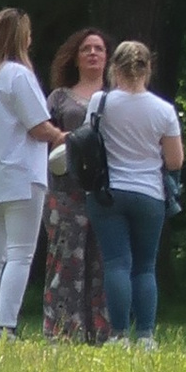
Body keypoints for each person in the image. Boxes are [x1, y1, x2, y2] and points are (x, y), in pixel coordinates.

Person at [85, 39, 183, 347]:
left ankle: (118, 333)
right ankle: (146, 335)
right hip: (149, 193)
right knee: (144, 266)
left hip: (108, 192)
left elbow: (89, 143)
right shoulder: (163, 110)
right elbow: (175, 160)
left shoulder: (100, 102)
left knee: (117, 263)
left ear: (114, 67)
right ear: (147, 69)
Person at [0, 7, 58, 334]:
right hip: (21, 174)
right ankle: (6, 324)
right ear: (21, 37)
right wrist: (65, 138)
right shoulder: (18, 75)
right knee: (20, 253)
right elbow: (38, 127)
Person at [41, 29, 113, 344]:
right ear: (76, 56)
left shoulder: (117, 98)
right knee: (66, 258)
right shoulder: (59, 97)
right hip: (63, 188)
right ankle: (63, 330)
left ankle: (101, 329)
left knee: (102, 260)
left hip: (104, 188)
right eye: (86, 48)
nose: (93, 53)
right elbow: (41, 137)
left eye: (99, 48)